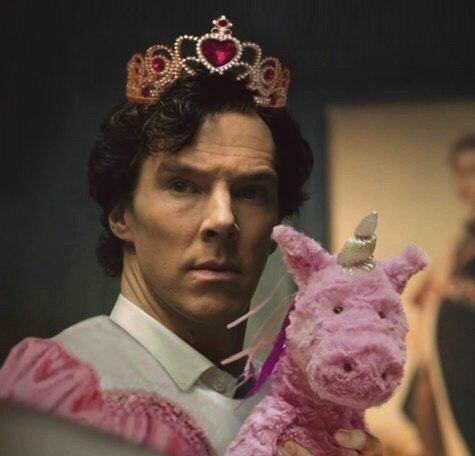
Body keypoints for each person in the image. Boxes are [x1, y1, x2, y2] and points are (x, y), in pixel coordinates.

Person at [0, 15, 383, 455]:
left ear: (278, 226)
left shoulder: (294, 399)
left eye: (251, 191)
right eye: (183, 185)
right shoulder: (66, 382)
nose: (223, 219)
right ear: (121, 214)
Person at [410, 135, 475, 455]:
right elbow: (423, 293)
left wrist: (458, 290)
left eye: (473, 171)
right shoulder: (464, 239)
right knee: (423, 407)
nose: (464, 183)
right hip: (445, 359)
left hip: (467, 360)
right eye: (460, 173)